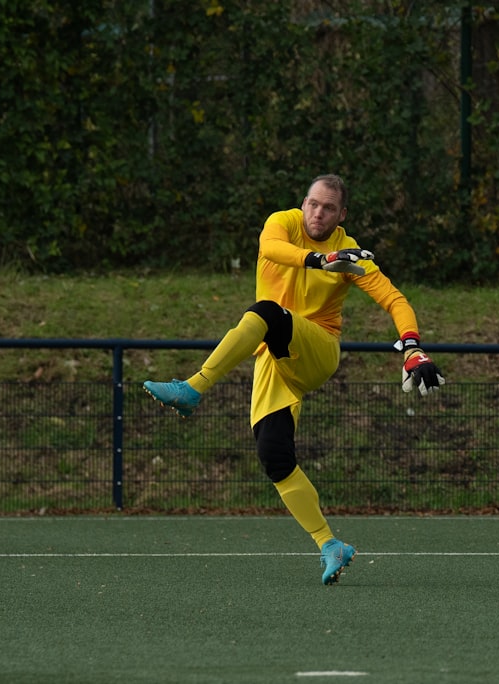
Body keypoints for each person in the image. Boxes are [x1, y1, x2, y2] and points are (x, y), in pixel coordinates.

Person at [143, 174, 445, 585]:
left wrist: (412, 347)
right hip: (274, 355)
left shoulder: (350, 253)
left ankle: (192, 389)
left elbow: (395, 300)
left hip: (317, 348)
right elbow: (272, 249)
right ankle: (329, 544)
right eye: (312, 204)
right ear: (303, 203)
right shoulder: (281, 223)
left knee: (266, 312)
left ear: (342, 215)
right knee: (275, 456)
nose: (317, 213)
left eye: (328, 208)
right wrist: (321, 261)